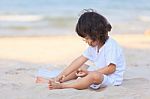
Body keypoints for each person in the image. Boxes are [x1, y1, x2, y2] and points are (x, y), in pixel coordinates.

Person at [36, 9, 126, 90]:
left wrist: (89, 73)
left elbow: (111, 69)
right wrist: (60, 75)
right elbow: (78, 61)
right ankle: (56, 80)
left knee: (93, 75)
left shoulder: (111, 45)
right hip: (100, 74)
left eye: (87, 38)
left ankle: (63, 86)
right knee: (80, 69)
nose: (86, 41)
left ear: (96, 34)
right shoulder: (94, 46)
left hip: (111, 79)